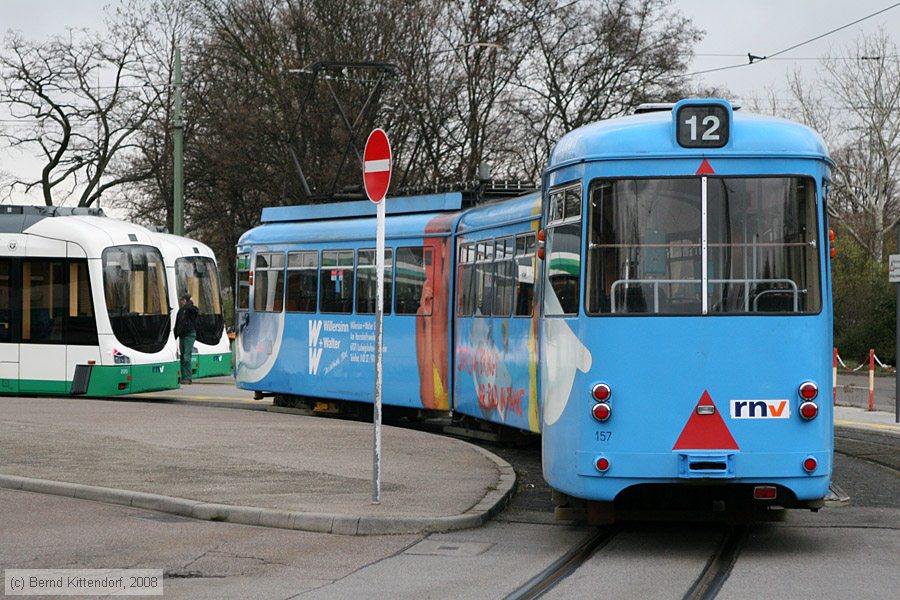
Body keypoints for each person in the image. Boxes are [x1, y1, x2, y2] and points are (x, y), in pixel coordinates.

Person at [174, 293, 199, 384]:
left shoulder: (191, 309)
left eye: (183, 300)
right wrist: (174, 336)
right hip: (182, 335)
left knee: (186, 356)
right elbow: (177, 324)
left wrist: (189, 304)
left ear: (186, 300)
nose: (181, 302)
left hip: (189, 334)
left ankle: (188, 378)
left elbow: (195, 311)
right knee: (183, 356)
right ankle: (183, 376)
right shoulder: (181, 311)